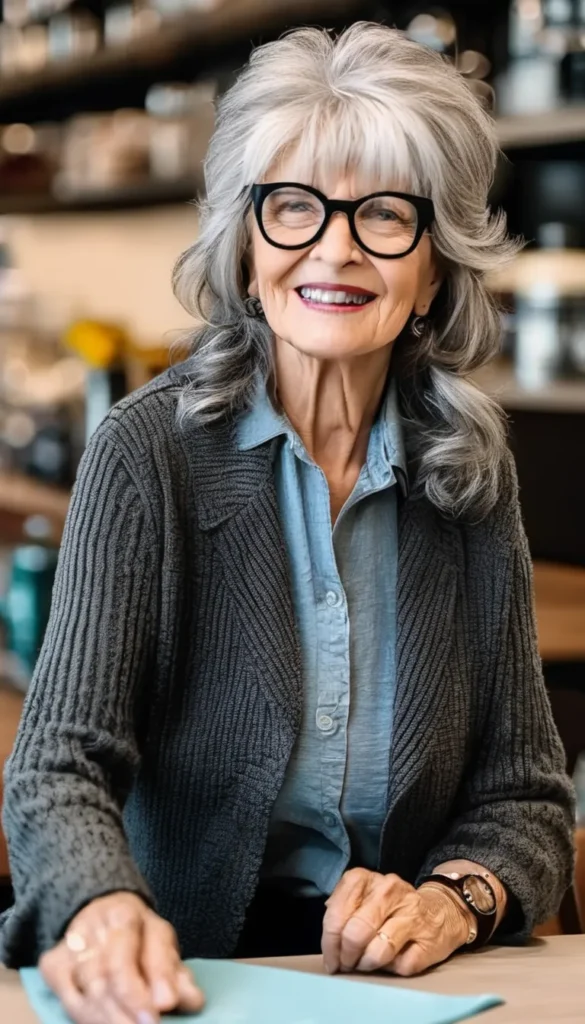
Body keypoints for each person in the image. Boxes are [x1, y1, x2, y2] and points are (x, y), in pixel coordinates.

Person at [1, 21, 575, 1024]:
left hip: (405, 995)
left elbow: (524, 796)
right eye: (294, 207)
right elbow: (59, 763)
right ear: (246, 241)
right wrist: (102, 901)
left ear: (436, 267)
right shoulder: (148, 453)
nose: (337, 248)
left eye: (386, 214)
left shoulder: (471, 475)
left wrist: (452, 898)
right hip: (179, 985)